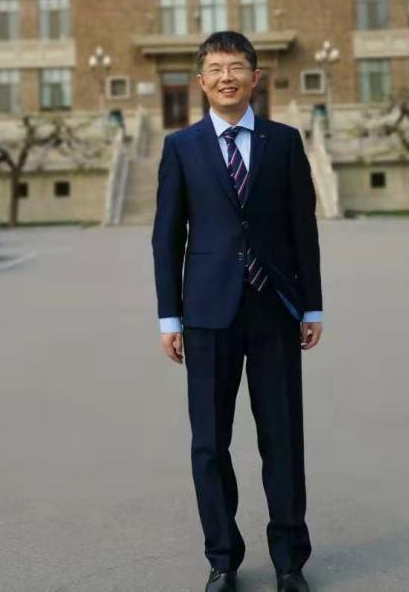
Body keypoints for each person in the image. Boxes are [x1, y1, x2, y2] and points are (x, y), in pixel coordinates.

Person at [152, 31, 324, 592]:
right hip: (207, 314)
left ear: (255, 77)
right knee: (209, 443)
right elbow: (167, 237)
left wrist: (312, 305)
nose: (227, 77)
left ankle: (289, 562)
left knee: (283, 439)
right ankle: (222, 558)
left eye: (237, 67)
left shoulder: (284, 142)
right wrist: (169, 317)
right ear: (201, 81)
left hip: (274, 309)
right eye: (216, 69)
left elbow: (303, 230)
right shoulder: (182, 147)